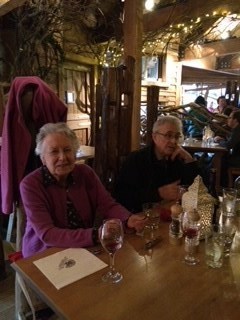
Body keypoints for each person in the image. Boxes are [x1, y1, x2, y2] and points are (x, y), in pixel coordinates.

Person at [20, 122, 147, 258]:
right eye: (54, 151)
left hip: (84, 248)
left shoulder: (85, 173)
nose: (62, 157)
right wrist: (95, 235)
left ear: (75, 154)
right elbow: (48, 234)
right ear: (43, 158)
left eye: (67, 150)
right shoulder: (30, 184)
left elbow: (107, 204)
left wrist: (127, 219)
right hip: (45, 253)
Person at [114, 115, 199, 213]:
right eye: (168, 135)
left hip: (173, 216)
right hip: (142, 218)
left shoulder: (179, 158)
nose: (173, 141)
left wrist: (189, 160)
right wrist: (158, 193)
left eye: (177, 136)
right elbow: (122, 196)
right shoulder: (136, 160)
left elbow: (198, 189)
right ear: (154, 137)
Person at [214, 110, 240, 186]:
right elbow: (231, 142)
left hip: (238, 160)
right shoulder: (236, 129)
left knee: (220, 161)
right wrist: (222, 140)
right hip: (237, 158)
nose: (228, 119)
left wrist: (219, 142)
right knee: (221, 159)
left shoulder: (238, 130)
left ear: (235, 120)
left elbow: (229, 145)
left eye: (230, 118)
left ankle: (221, 186)